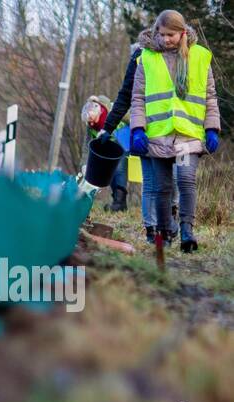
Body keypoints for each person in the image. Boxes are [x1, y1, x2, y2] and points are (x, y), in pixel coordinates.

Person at [129, 9, 221, 252]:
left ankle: (187, 233)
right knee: (162, 187)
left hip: (187, 136)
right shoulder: (146, 59)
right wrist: (138, 129)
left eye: (171, 35)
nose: (165, 39)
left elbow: (210, 97)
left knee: (185, 179)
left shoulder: (200, 57)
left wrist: (212, 128)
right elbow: (137, 99)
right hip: (158, 135)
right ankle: (164, 232)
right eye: (161, 34)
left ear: (182, 33)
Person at [101, 34, 176, 239]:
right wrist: (108, 127)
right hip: (145, 130)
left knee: (172, 179)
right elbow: (125, 96)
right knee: (152, 182)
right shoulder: (139, 58)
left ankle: (168, 222)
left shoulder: (175, 57)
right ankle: (153, 230)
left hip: (171, 130)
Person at [83, 95, 129, 210]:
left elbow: (132, 119)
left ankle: (120, 200)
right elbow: (86, 145)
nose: (91, 124)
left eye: (92, 121)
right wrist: (84, 164)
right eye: (89, 122)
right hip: (109, 147)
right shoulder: (90, 125)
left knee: (119, 169)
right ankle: (118, 202)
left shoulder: (113, 110)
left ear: (99, 114)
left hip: (123, 141)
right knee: (111, 172)